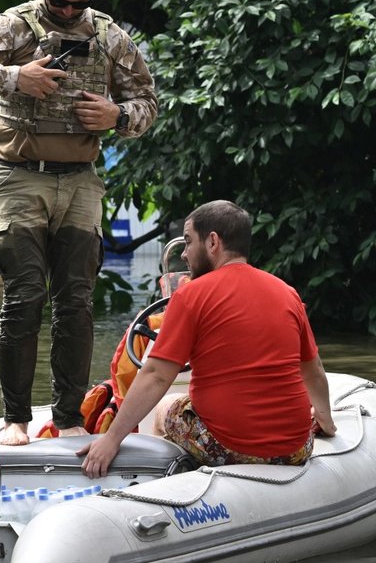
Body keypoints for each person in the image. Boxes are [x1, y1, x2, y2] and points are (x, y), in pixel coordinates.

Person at [0, 0, 158, 446]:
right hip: (17, 175)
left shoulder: (110, 38)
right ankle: (15, 419)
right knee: (25, 293)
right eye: (58, 0)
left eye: (77, 3)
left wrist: (116, 114)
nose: (66, 10)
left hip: (80, 180)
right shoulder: (13, 27)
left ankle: (72, 416)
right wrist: (16, 79)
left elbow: (148, 104)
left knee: (77, 299)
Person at [78, 200, 337, 478]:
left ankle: (169, 489)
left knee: (168, 406)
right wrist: (325, 419)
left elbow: (155, 376)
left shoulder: (190, 296)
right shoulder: (288, 293)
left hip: (228, 445)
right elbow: (314, 370)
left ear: (213, 241)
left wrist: (111, 439)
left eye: (188, 242)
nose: (186, 254)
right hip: (294, 448)